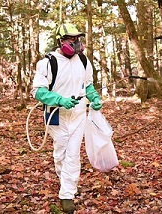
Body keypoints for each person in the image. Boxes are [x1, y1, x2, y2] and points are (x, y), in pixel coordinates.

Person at [31, 23, 102, 213]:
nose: (75, 43)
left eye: (77, 39)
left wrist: (94, 97)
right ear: (61, 41)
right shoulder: (48, 62)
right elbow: (37, 91)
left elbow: (87, 86)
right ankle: (65, 181)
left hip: (78, 114)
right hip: (56, 115)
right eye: (71, 40)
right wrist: (59, 100)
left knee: (73, 154)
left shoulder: (84, 61)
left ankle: (67, 194)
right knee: (60, 152)